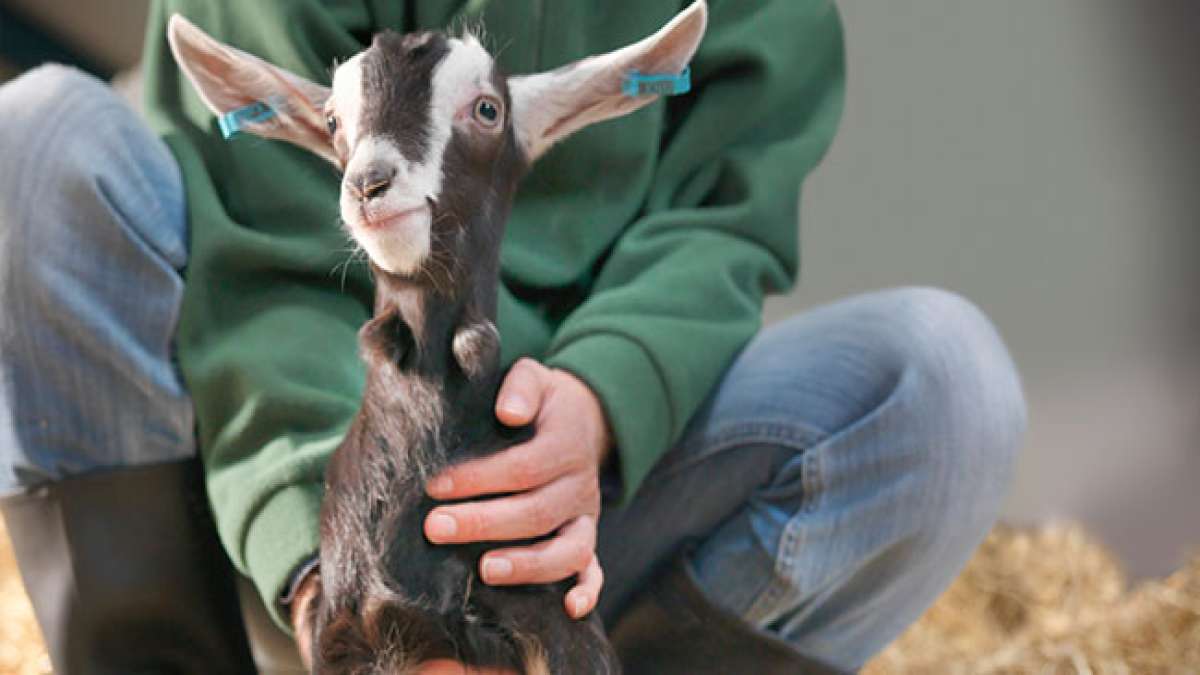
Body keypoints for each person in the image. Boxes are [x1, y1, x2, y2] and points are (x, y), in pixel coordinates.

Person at [0, 0, 1026, 673]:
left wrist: (604, 401)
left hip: (572, 524)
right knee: (38, 144)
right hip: (307, 512)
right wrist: (340, 590)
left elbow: (722, 204)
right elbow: (263, 256)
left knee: (943, 383)